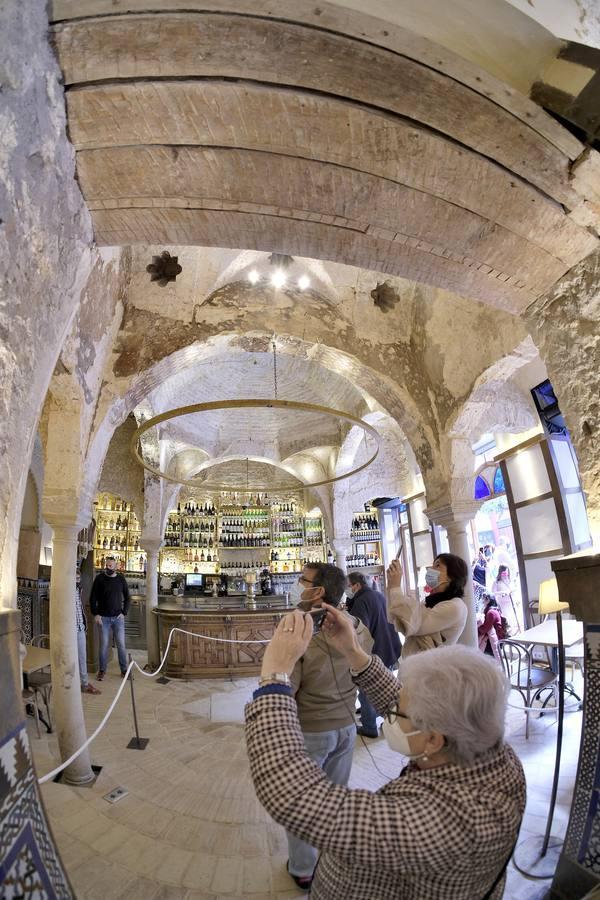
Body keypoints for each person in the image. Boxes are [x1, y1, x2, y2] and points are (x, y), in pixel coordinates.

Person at [245, 606, 526, 900]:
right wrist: (353, 650)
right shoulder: (486, 747)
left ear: (432, 739)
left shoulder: (443, 825)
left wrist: (275, 676)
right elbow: (400, 700)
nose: (392, 714)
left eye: (402, 713)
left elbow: (295, 796)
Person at [283, 562, 373, 890]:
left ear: (318, 591)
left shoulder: (299, 628)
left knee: (301, 802)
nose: (296, 584)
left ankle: (304, 868)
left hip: (311, 729)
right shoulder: (356, 625)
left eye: (301, 580)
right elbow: (365, 664)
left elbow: (285, 686)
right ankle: (327, 857)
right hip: (347, 726)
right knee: (335, 797)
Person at [346, 571, 401, 738]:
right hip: (389, 646)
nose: (347, 589)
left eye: (349, 586)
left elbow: (362, 631)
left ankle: (369, 726)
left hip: (376, 651)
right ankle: (387, 720)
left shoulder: (361, 601)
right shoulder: (377, 595)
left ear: (356, 585)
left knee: (366, 687)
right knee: (386, 686)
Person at [386, 554, 468, 656]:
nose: (431, 569)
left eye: (437, 566)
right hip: (414, 664)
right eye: (432, 565)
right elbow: (394, 618)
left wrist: (395, 586)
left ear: (452, 576)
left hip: (430, 668)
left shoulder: (455, 607)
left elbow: (413, 625)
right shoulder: (430, 600)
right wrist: (391, 585)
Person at [89, 555, 130, 680]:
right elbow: (93, 598)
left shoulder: (121, 579)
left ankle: (124, 671)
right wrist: (95, 613)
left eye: (110, 566)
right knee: (104, 645)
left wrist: (124, 612)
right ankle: (102, 670)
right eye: (106, 565)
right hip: (103, 618)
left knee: (121, 645)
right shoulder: (99, 579)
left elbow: (128, 598)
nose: (108, 568)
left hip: (118, 618)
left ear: (116, 566)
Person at [76, 569, 101, 694]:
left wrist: (84, 625)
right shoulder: (66, 590)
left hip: (80, 627)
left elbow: (79, 608)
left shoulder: (78, 590)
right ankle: (78, 683)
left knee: (82, 657)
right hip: (70, 629)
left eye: (78, 579)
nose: (77, 581)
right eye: (75, 578)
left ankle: (84, 683)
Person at [491, 565, 520, 634]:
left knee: (513, 617)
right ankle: (509, 632)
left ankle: (515, 631)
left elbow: (513, 589)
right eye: (504, 572)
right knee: (507, 618)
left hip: (510, 601)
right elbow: (493, 593)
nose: (506, 574)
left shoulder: (508, 580)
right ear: (500, 572)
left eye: (507, 572)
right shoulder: (496, 582)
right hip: (502, 603)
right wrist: (502, 593)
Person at [477, 595, 502, 661]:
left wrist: (476, 629)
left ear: (488, 600)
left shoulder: (491, 612)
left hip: (495, 639)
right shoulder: (493, 610)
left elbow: (485, 628)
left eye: (483, 599)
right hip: (495, 637)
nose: (482, 601)